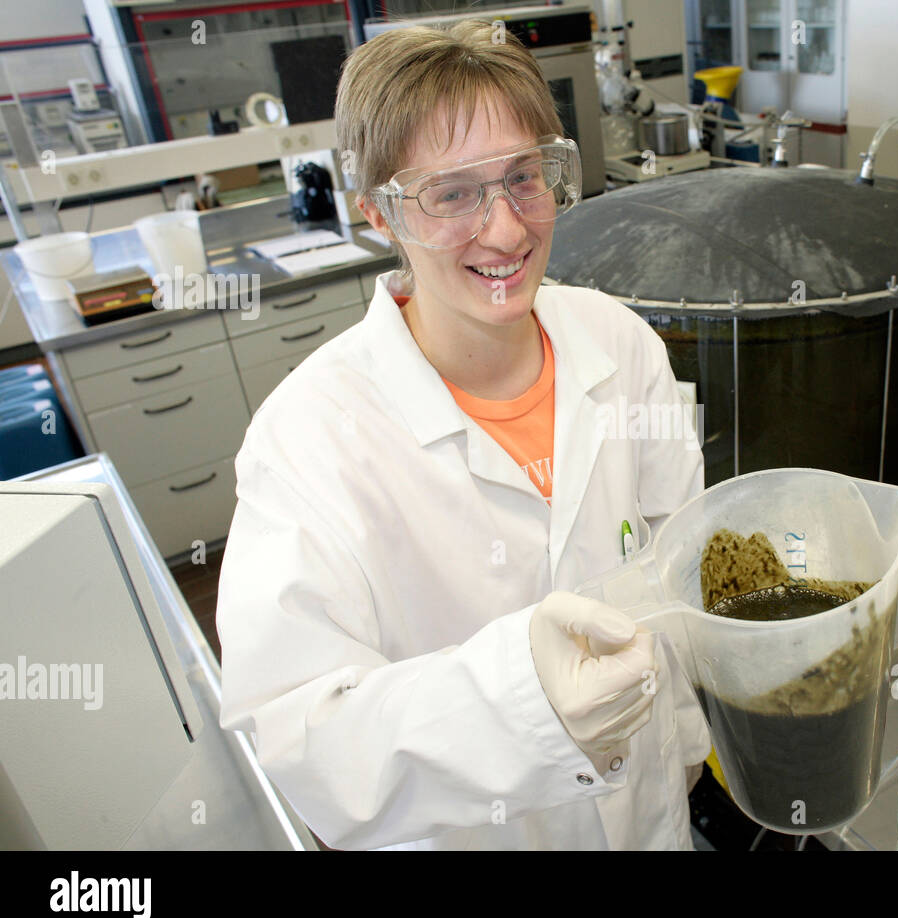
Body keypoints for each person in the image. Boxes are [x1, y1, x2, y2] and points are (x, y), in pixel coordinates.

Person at [216, 21, 710, 850]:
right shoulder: (306, 440)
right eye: (451, 193)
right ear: (378, 210)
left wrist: (686, 747)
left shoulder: (620, 344)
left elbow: (679, 562)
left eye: (524, 177)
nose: (509, 230)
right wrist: (519, 706)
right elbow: (304, 737)